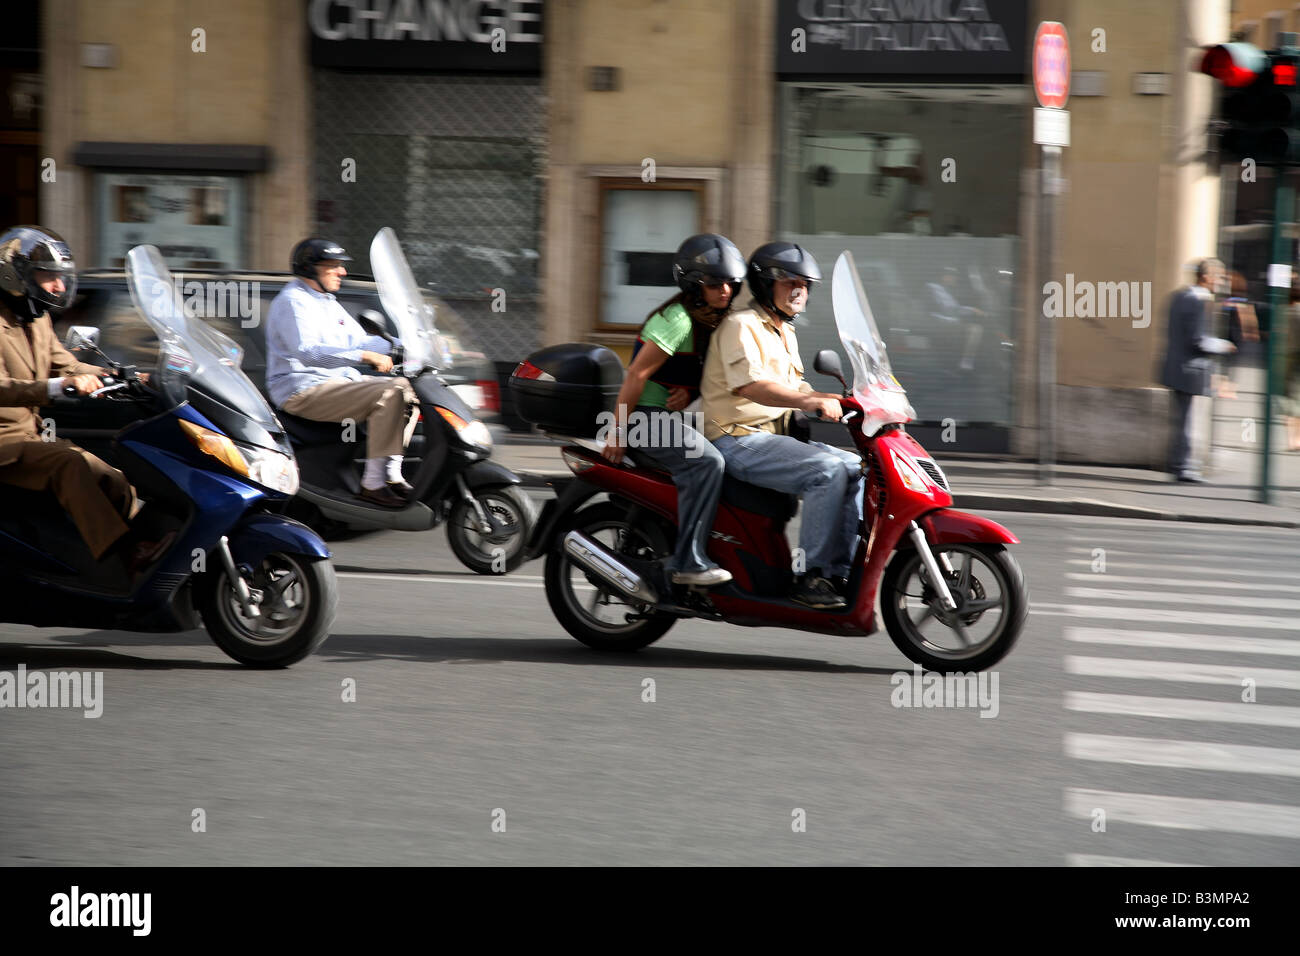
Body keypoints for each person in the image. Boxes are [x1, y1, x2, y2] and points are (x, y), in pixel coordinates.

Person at [700, 242, 864, 610]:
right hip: (736, 438)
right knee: (826, 471)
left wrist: (840, 399)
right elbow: (750, 385)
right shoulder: (740, 325)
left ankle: (838, 571)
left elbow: (792, 387)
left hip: (770, 438)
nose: (799, 290)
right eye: (789, 281)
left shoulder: (783, 331)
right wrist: (808, 401)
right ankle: (811, 576)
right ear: (764, 284)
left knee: (859, 468)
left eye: (805, 284)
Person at [0, 225, 164, 569]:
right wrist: (55, 388)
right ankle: (122, 556)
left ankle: (148, 545)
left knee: (111, 474)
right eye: (48, 277)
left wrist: (127, 375)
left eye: (61, 278)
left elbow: (67, 365)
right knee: (72, 465)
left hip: (32, 437)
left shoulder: (37, 318)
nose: (59, 286)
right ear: (14, 275)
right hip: (6, 444)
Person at [601, 234, 746, 588]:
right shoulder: (678, 319)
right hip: (642, 419)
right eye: (714, 284)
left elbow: (695, 369)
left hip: (666, 416)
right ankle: (688, 561)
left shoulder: (710, 320)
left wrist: (687, 389)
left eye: (730, 283)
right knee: (707, 461)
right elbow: (636, 374)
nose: (724, 290)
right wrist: (618, 432)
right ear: (695, 286)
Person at [265, 238, 415, 508]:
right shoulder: (293, 302)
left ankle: (391, 474)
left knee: (410, 390)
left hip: (334, 383)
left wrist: (405, 347)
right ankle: (372, 484)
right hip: (302, 390)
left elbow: (359, 340)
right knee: (392, 391)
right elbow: (307, 352)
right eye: (333, 266)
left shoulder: (326, 302)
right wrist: (365, 357)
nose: (342, 272)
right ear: (310, 269)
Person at [1160, 257, 1236, 483]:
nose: (1221, 283)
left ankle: (1178, 464)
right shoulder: (1197, 301)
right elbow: (1198, 340)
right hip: (1190, 371)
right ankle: (1182, 467)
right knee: (1187, 421)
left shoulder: (1178, 296)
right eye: (1220, 277)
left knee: (1182, 420)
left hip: (1175, 367)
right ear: (1207, 277)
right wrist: (1223, 345)